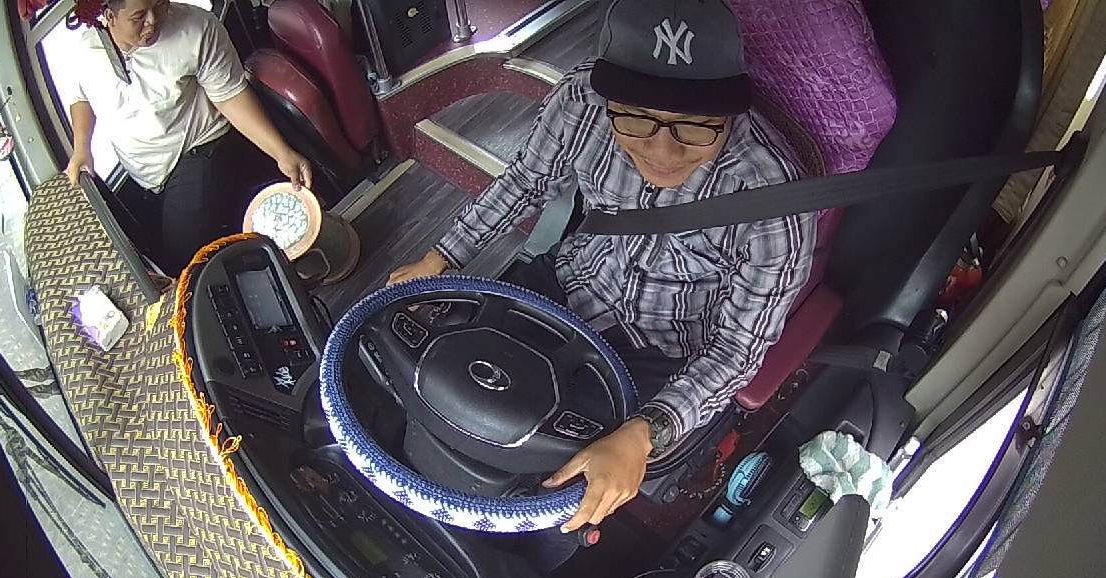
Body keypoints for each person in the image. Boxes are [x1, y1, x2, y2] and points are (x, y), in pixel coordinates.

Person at [388, 0, 815, 541]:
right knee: (438, 381)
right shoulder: (580, 101)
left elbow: (736, 349)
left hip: (660, 352)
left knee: (556, 493)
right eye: (635, 119)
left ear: (730, 115)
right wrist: (441, 257)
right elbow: (524, 181)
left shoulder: (775, 202)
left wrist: (644, 432)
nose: (663, 152)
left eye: (694, 128)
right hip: (564, 284)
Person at [60, 0, 312, 273]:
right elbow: (81, 96)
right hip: (149, 176)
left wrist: (281, 152)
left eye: (160, 5)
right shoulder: (87, 50)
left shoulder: (196, 29)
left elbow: (229, 96)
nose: (153, 21)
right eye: (139, 16)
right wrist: (81, 147)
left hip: (200, 147)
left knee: (185, 264)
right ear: (110, 17)